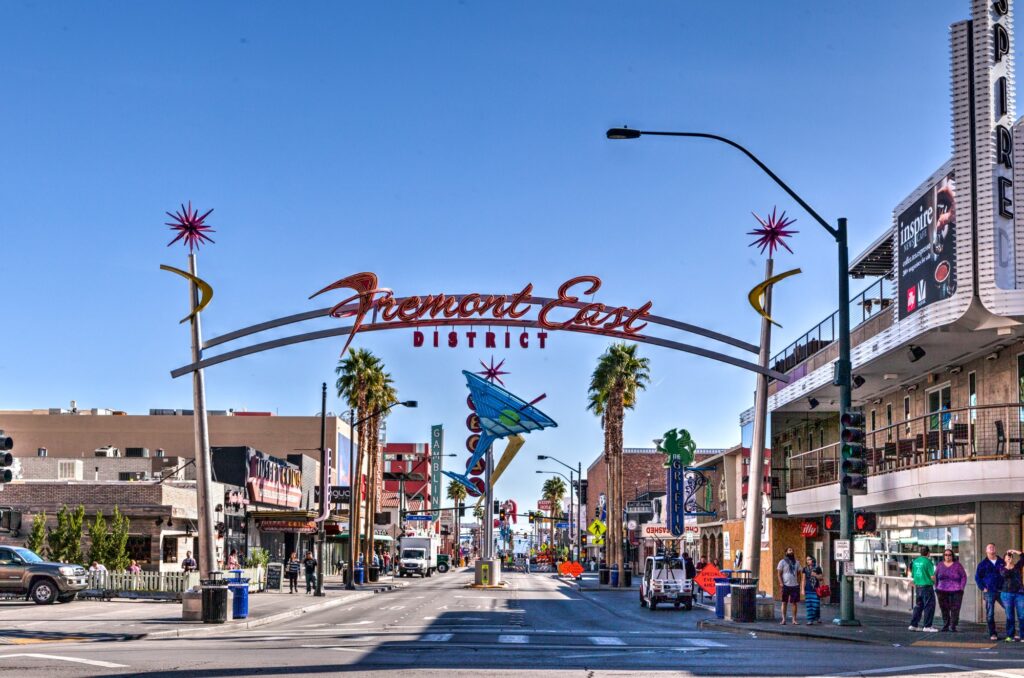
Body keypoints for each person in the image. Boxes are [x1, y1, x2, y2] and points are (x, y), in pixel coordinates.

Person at [976, 542, 1007, 641]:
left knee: (1009, 610)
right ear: (986, 551)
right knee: (990, 613)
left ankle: (1011, 633)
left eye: (993, 547)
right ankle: (993, 633)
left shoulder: (1002, 561)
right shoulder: (982, 564)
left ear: (995, 549)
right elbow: (977, 577)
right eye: (989, 547)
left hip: (1002, 590)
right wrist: (983, 588)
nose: (991, 549)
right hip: (989, 591)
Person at [935, 548, 967, 632]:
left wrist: (962, 587)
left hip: (956, 590)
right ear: (944, 556)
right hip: (941, 590)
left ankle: (953, 626)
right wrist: (936, 587)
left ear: (952, 556)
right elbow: (936, 577)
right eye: (946, 555)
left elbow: (964, 576)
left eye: (949, 555)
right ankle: (945, 625)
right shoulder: (940, 565)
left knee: (955, 609)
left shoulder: (957, 565)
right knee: (944, 609)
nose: (948, 556)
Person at [909, 546, 938, 632]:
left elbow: (913, 575)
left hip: (918, 587)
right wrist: (936, 583)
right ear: (928, 553)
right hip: (927, 587)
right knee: (929, 606)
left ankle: (913, 625)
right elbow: (932, 576)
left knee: (918, 606)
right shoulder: (928, 562)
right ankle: (927, 626)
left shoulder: (915, 561)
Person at [1001, 549, 1024, 642]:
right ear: (1004, 559)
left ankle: (1022, 636)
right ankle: (1010, 635)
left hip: (1019, 593)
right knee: (1010, 616)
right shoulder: (1002, 567)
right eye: (1007, 556)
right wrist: (1008, 565)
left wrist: (1014, 551)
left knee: (1022, 615)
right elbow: (1005, 574)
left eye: (1010, 556)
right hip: (1007, 594)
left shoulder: (1018, 566)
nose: (1009, 557)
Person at [777, 547, 800, 625]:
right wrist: (781, 583)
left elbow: (799, 573)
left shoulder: (797, 562)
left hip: (795, 585)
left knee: (794, 603)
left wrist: (798, 582)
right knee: (784, 602)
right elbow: (779, 574)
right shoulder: (782, 562)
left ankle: (794, 620)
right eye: (790, 550)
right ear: (786, 552)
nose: (791, 551)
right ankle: (783, 619)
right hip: (785, 585)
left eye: (792, 550)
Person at [801, 555, 823, 625]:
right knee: (809, 605)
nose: (808, 561)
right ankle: (810, 620)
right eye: (807, 560)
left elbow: (821, 578)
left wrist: (815, 575)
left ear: (813, 560)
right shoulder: (805, 569)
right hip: (808, 589)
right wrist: (802, 589)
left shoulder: (817, 568)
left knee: (816, 605)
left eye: (809, 559)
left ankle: (817, 617)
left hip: (816, 589)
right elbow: (803, 579)